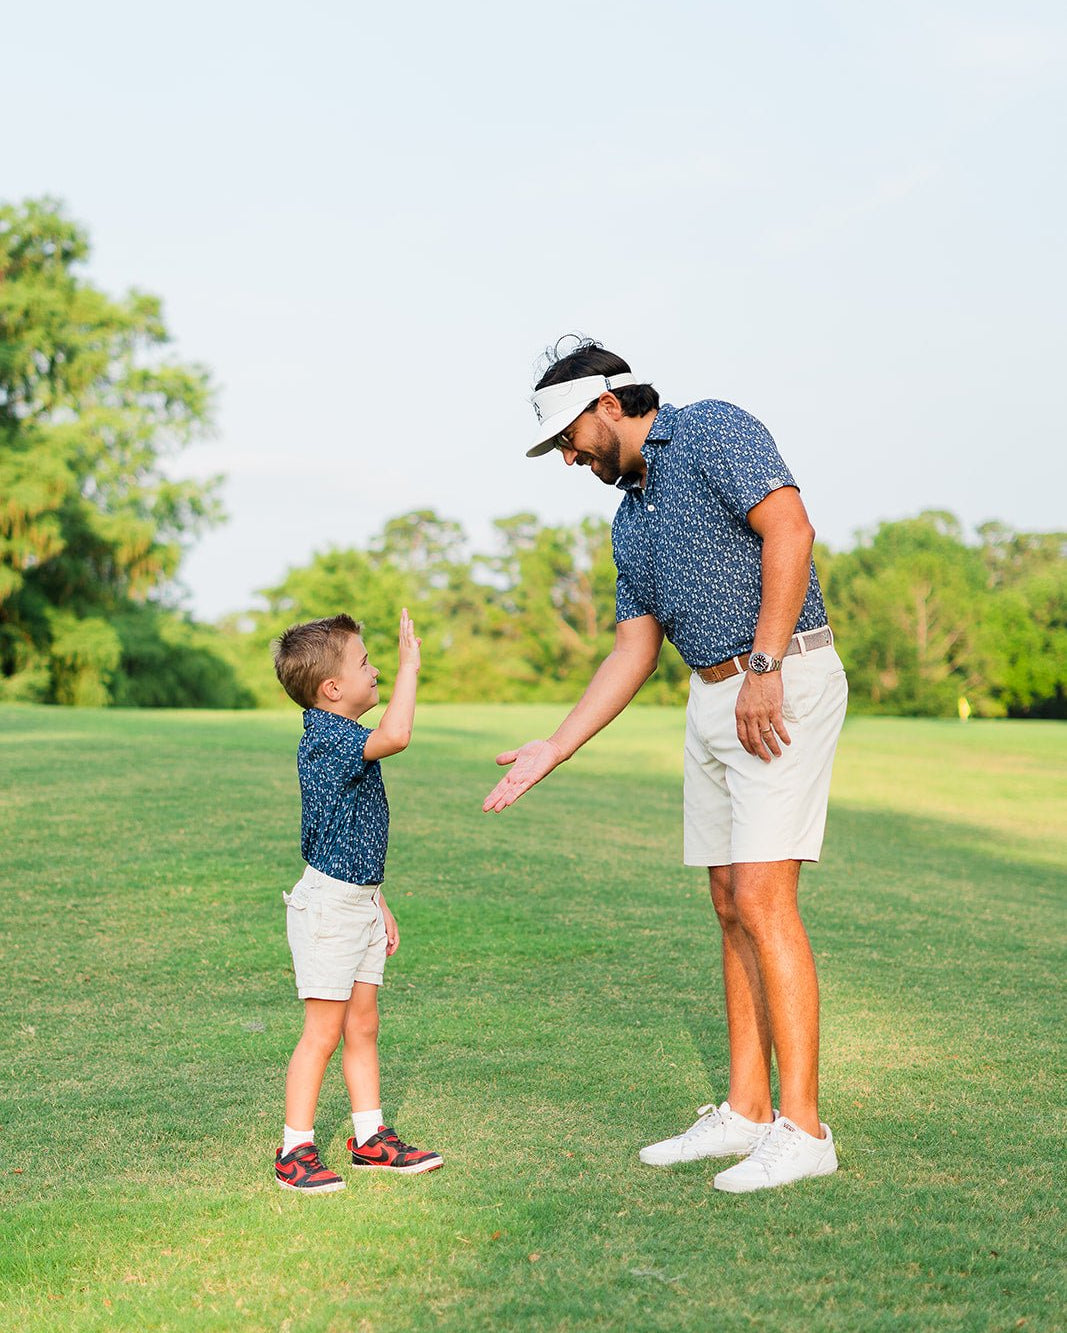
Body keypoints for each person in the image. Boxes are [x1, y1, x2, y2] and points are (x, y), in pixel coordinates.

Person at [483, 339, 848, 1193]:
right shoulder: (629, 517)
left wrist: (762, 668)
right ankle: (746, 1109)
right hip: (710, 695)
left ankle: (804, 1127)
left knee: (763, 895)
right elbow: (631, 649)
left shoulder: (714, 429)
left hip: (779, 676)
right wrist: (554, 745)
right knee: (727, 902)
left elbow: (788, 529)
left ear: (609, 403)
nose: (568, 456)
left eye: (568, 437)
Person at [271, 609, 442, 1191]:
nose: (378, 670)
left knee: (362, 1025)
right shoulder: (326, 739)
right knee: (322, 1032)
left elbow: (350, 835)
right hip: (328, 908)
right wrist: (413, 666)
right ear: (332, 689)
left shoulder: (345, 737)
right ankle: (294, 1150)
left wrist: (380, 902)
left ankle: (369, 1137)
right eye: (367, 663)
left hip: (359, 900)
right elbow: (397, 735)